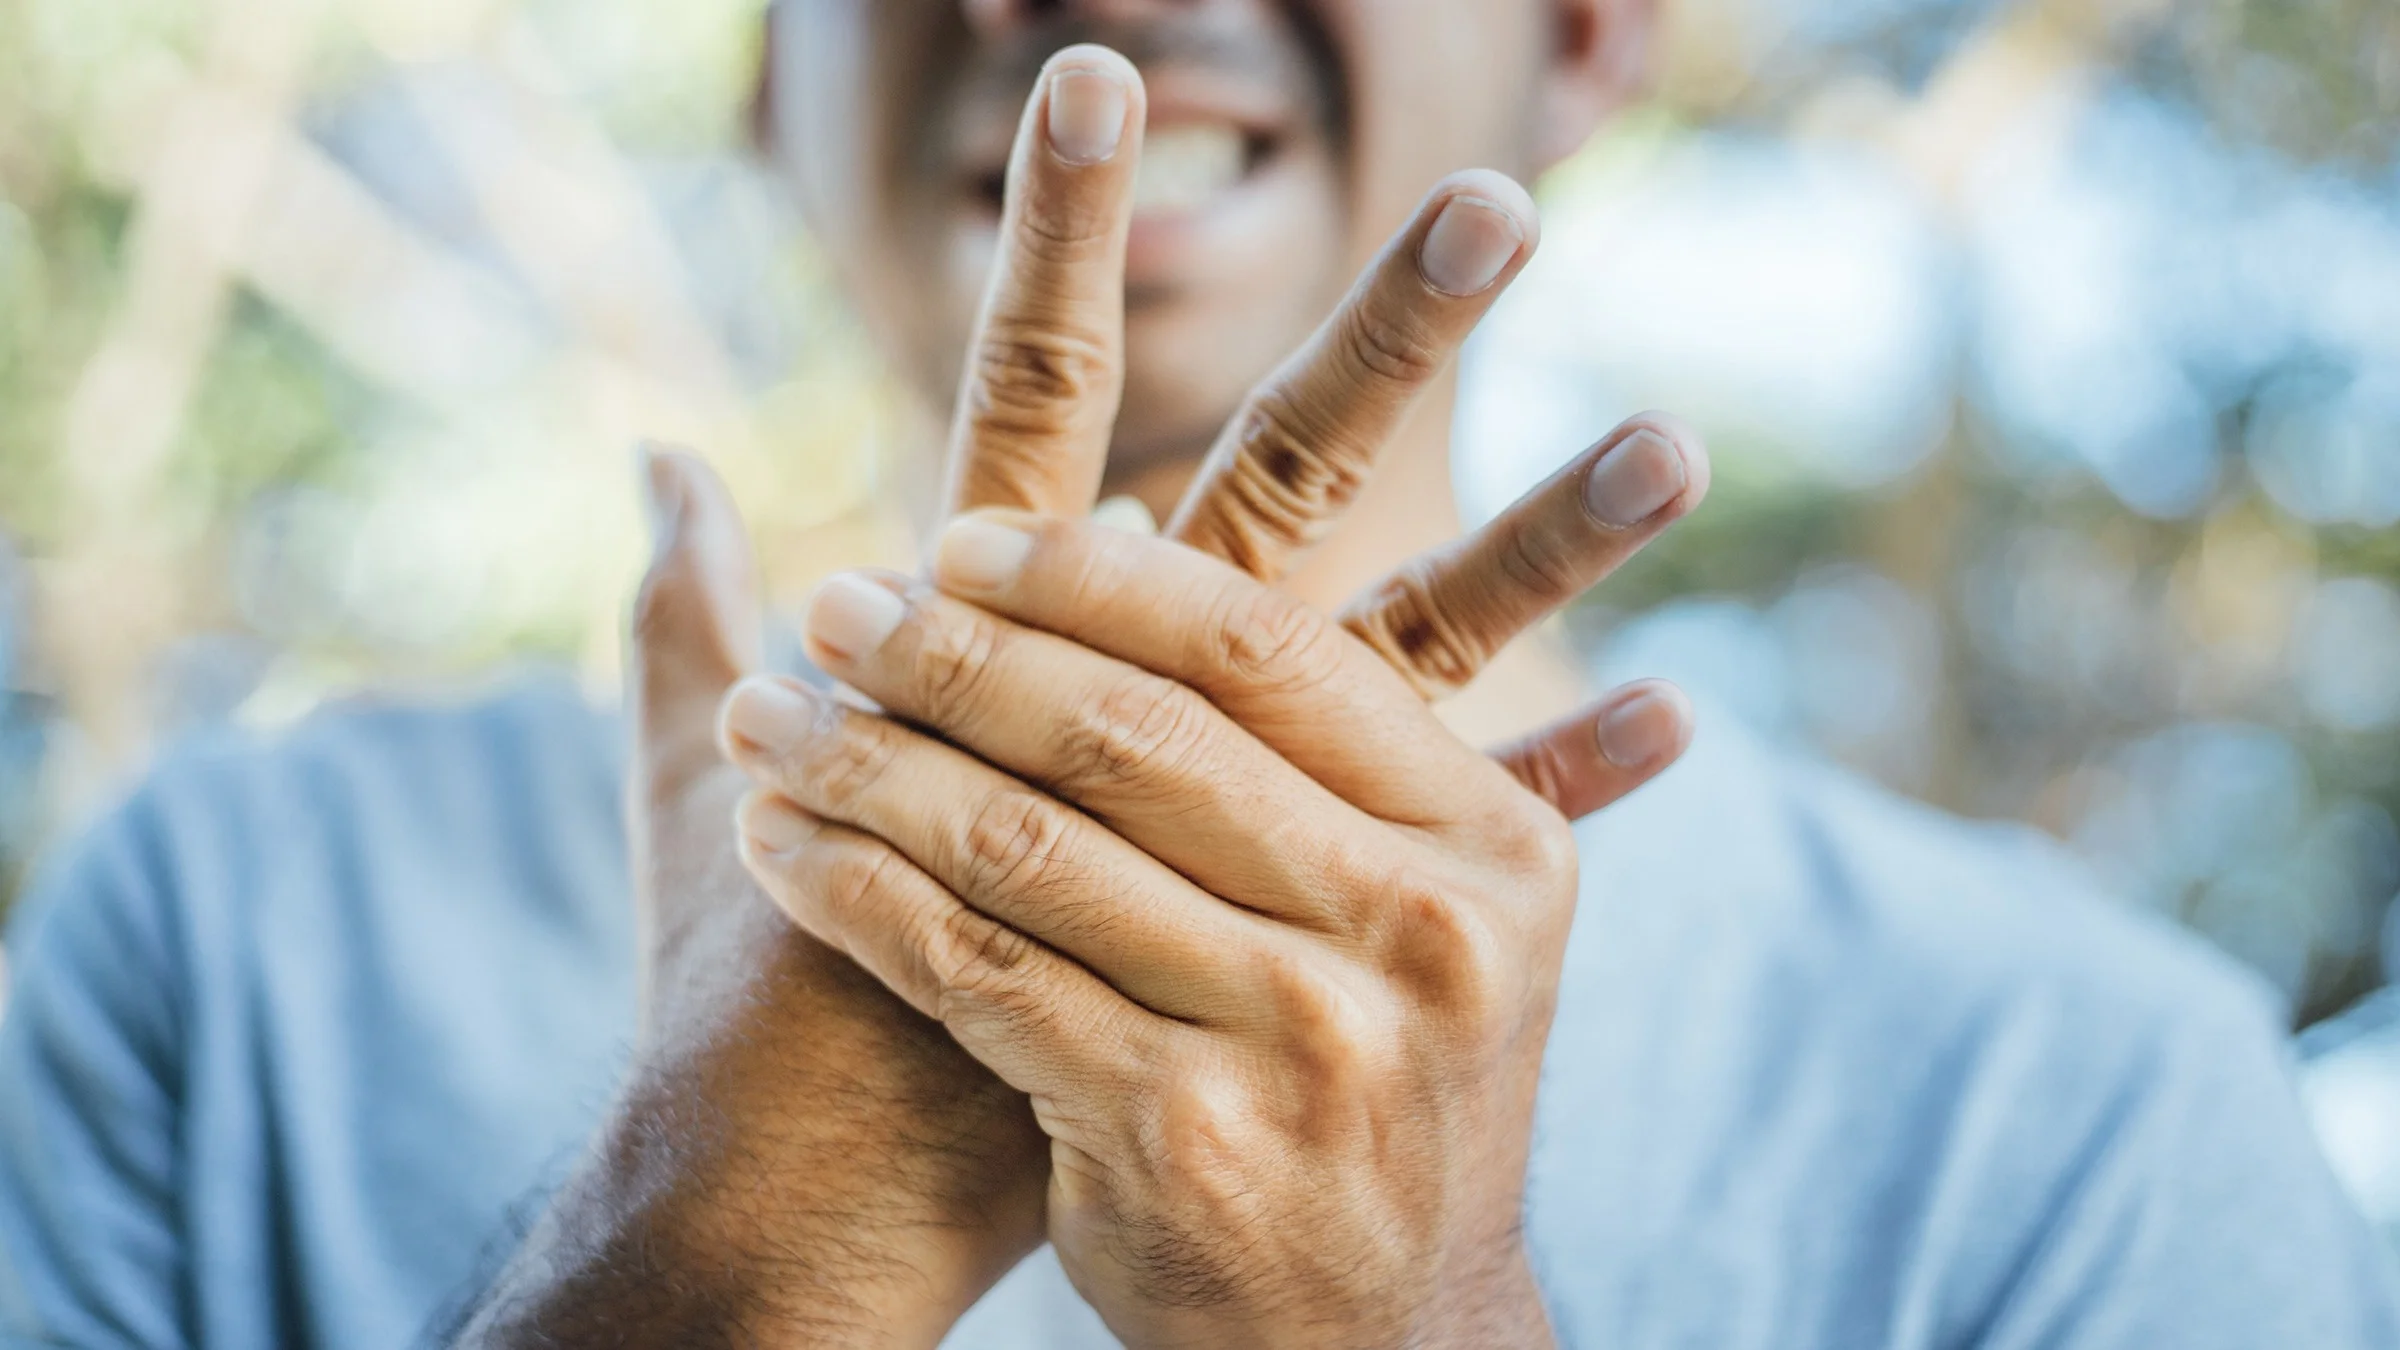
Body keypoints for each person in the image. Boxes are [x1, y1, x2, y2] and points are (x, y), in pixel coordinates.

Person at [2, 2, 2394, 1346]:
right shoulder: (227, 934)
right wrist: (705, 1252)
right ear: (761, 63)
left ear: (1584, 38)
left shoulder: (2084, 1114)